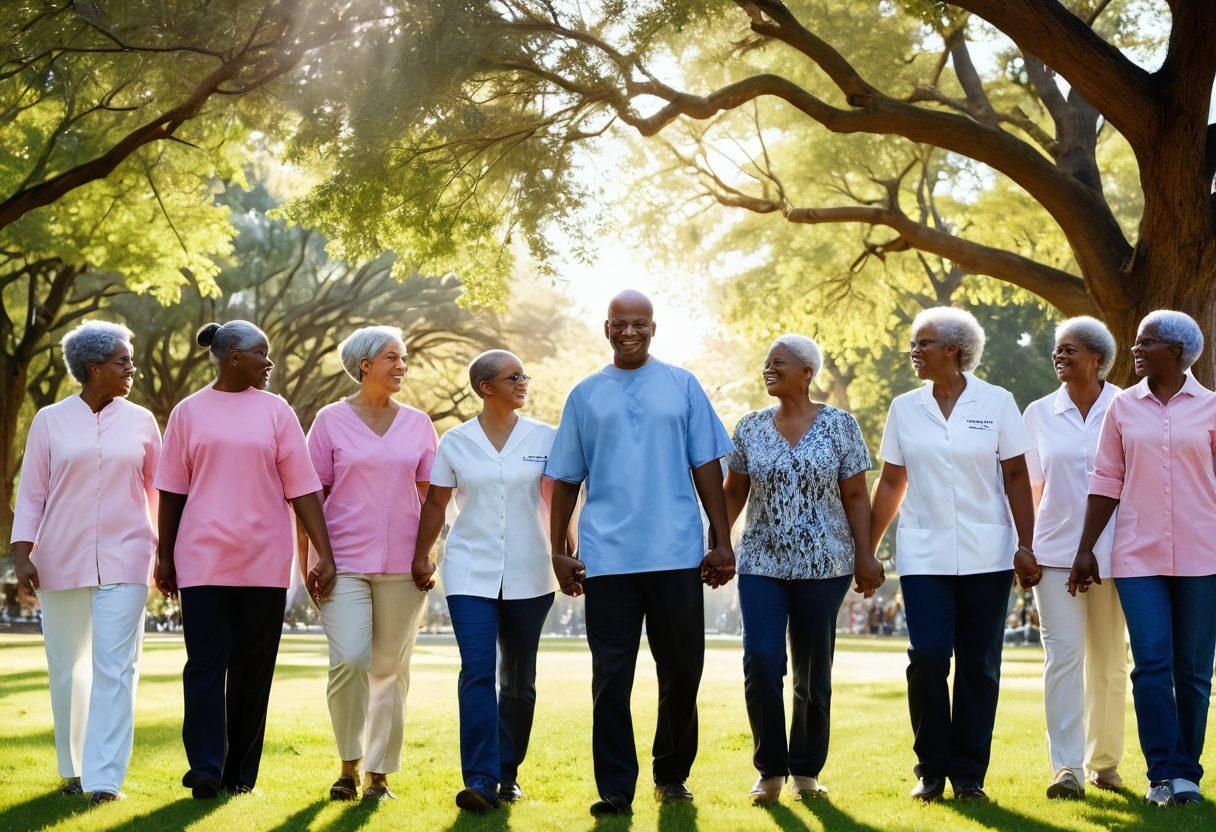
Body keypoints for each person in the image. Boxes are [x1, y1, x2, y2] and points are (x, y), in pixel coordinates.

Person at [545, 290, 735, 816]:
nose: (630, 332)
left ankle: (671, 775)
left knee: (682, 671)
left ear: (654, 328)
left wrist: (721, 542)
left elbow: (707, 470)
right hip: (607, 558)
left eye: (640, 324)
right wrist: (560, 549)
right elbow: (564, 478)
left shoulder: (683, 385)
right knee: (611, 677)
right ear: (606, 329)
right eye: (620, 324)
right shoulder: (584, 395)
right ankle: (615, 788)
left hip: (675, 553)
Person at [154, 320, 338, 798]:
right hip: (203, 559)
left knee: (254, 669)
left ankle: (240, 774)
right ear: (233, 357)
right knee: (205, 665)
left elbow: (303, 488)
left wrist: (324, 554)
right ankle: (206, 768)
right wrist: (164, 555)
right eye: (262, 353)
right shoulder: (187, 413)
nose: (269, 362)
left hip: (264, 561)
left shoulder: (277, 412)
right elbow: (171, 490)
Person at [870, 306, 1041, 803]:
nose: (913, 352)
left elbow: (1015, 477)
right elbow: (893, 480)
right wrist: (868, 548)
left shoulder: (998, 401)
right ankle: (930, 769)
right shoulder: (904, 406)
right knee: (926, 657)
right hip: (923, 554)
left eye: (922, 343)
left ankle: (968, 775)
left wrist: (1025, 545)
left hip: (988, 553)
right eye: (913, 344)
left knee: (980, 664)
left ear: (953, 350)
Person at [722, 334, 881, 805]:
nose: (768, 369)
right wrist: (715, 544)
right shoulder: (749, 427)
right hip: (761, 562)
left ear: (806, 372)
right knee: (762, 661)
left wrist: (866, 554)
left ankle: (806, 769)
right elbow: (734, 493)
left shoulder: (840, 426)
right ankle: (770, 769)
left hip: (824, 565)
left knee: (814, 671)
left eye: (779, 363)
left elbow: (856, 495)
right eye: (766, 363)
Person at [1070, 310, 1216, 807]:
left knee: (1194, 671)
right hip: (1137, 556)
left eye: (1145, 342)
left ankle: (1187, 774)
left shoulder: (1212, 408)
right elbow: (1106, 480)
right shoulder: (1123, 408)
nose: (1134, 350)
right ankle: (1162, 774)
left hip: (1204, 556)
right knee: (1151, 664)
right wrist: (1086, 548)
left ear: (1175, 352)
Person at [11, 321, 160, 806]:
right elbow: (31, 491)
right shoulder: (50, 420)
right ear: (93, 368)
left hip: (128, 555)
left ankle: (103, 779)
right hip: (59, 557)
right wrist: (21, 550)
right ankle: (73, 768)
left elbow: (158, 492)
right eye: (122, 361)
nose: (131, 368)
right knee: (67, 667)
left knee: (116, 668)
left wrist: (165, 551)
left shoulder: (141, 421)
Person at [413, 350, 565, 812]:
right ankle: (480, 780)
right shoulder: (455, 442)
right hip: (470, 571)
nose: (523, 382)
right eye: (512, 376)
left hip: (531, 571)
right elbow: (437, 504)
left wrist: (567, 554)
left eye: (524, 374)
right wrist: (423, 555)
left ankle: (506, 773)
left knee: (518, 681)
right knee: (476, 673)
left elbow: (559, 500)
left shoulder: (546, 437)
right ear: (485, 388)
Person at [305, 326, 435, 802]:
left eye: (403, 359)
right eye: (393, 358)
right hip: (343, 564)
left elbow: (431, 498)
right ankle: (348, 766)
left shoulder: (419, 424)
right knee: (351, 660)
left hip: (404, 567)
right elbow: (310, 496)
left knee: (390, 668)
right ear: (365, 366)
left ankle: (378, 775)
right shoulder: (329, 421)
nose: (402, 365)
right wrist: (314, 560)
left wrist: (427, 554)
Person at [1022, 316, 1126, 799]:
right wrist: (1024, 548)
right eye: (1057, 351)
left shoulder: (1127, 405)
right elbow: (1031, 487)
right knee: (1062, 659)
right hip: (1055, 556)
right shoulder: (1039, 413)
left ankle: (1104, 763)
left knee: (1107, 663)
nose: (1059, 357)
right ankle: (1066, 768)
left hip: (1118, 556)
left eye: (1071, 351)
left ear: (1098, 360)